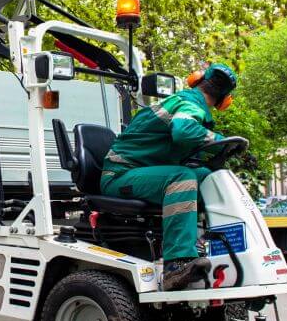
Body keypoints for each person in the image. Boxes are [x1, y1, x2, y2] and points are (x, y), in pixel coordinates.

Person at [100, 63, 238, 291]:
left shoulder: (187, 103)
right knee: (181, 178)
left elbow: (189, 146)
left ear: (197, 79)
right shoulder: (191, 102)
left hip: (143, 172)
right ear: (225, 101)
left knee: (208, 177)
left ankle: (202, 245)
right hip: (121, 174)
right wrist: (220, 138)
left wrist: (222, 152)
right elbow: (183, 132)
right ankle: (176, 265)